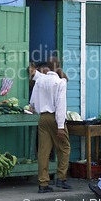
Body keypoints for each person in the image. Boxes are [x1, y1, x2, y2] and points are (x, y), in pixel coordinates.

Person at [29, 62, 71, 193]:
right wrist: (60, 126)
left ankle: (43, 184)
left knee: (43, 151)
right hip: (55, 118)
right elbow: (60, 105)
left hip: (43, 118)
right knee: (64, 148)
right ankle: (61, 178)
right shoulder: (60, 83)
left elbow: (32, 104)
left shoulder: (39, 82)